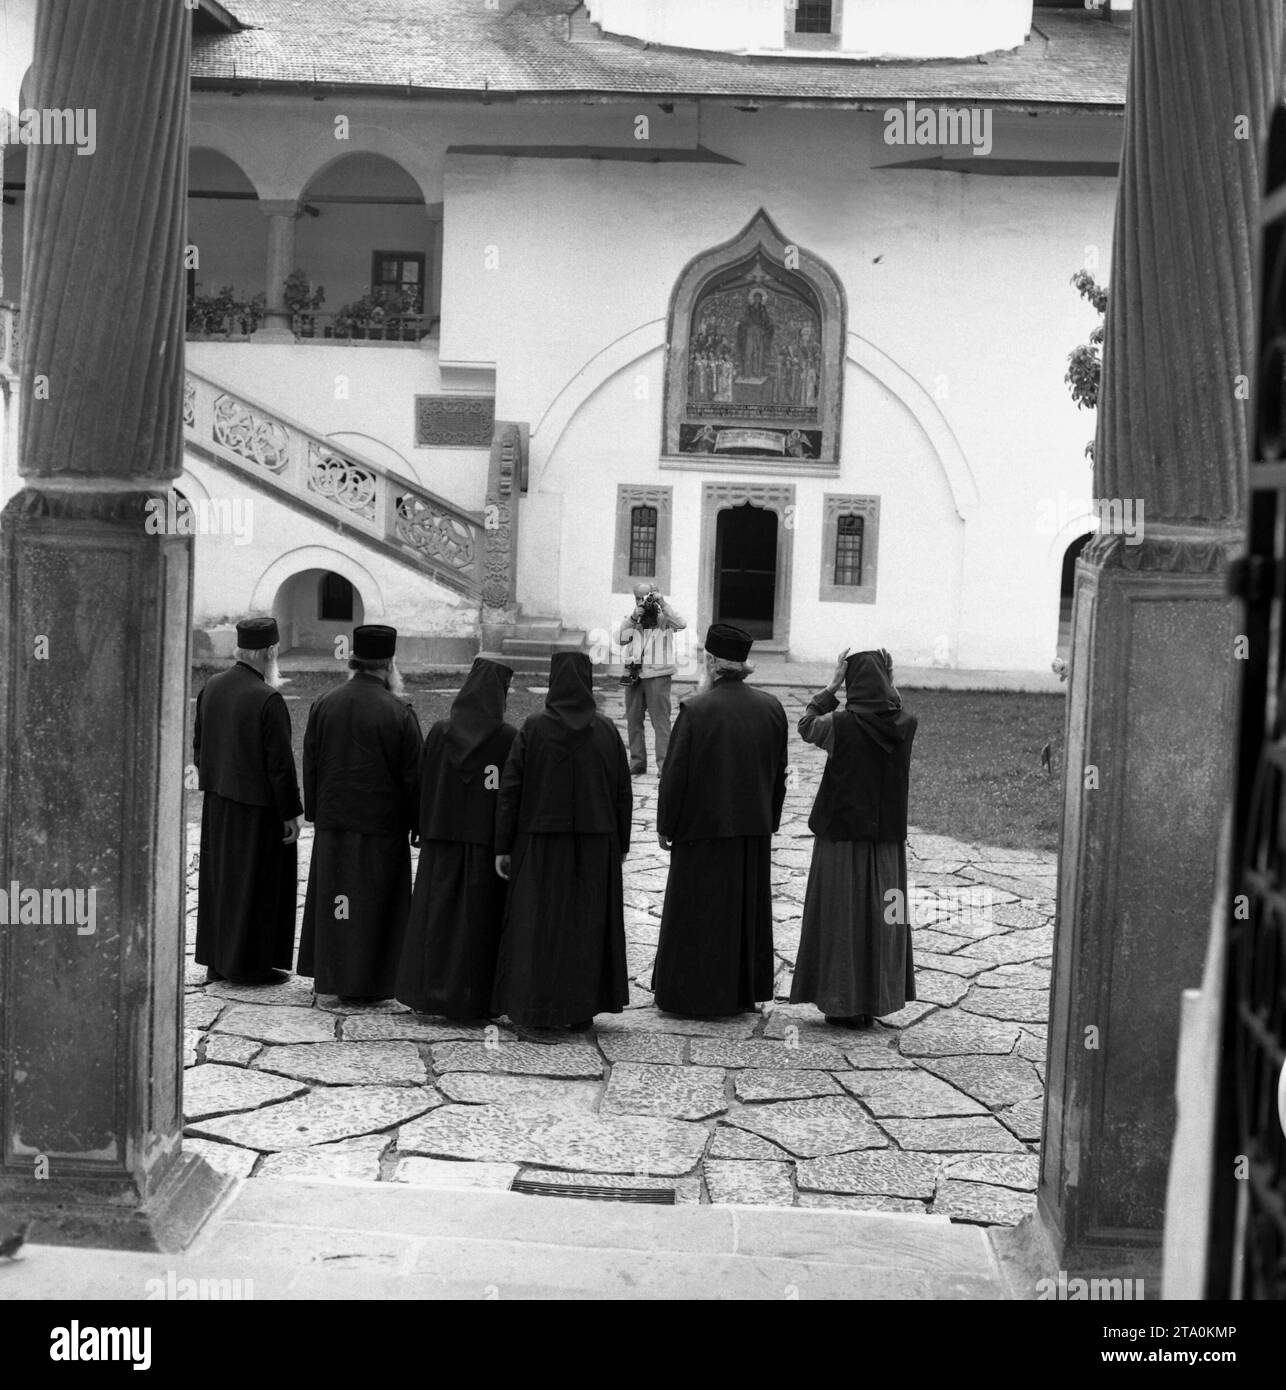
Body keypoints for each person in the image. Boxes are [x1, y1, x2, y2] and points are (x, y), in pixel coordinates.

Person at [650, 623, 788, 1016]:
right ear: (743, 665)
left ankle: (687, 994)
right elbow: (778, 774)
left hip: (700, 831)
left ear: (710, 662)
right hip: (751, 831)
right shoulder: (771, 708)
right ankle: (740, 992)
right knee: (742, 914)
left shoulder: (696, 709)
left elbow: (675, 776)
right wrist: (768, 820)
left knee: (698, 914)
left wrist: (666, 825)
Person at [491, 651, 632, 1031]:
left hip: (541, 845)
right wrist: (621, 844)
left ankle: (536, 1006)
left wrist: (502, 845)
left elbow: (511, 789)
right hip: (595, 843)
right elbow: (622, 791)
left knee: (538, 924)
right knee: (586, 926)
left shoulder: (534, 728)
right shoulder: (606, 731)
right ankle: (580, 1008)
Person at [790, 648, 918, 1028]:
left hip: (841, 840)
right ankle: (875, 999)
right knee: (882, 920)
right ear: (885, 681)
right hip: (885, 846)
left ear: (851, 683)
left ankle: (840, 999)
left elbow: (804, 723)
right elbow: (895, 707)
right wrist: (889, 681)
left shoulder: (837, 725)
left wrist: (831, 686)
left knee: (841, 918)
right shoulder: (906, 724)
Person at [296, 624, 422, 1002]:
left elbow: (311, 761)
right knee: (375, 903)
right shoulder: (399, 711)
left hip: (336, 824)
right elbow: (413, 774)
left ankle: (335, 976)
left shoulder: (325, 703)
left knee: (340, 903)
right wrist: (418, 822)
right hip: (382, 827)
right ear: (389, 664)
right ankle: (373, 980)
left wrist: (316, 810)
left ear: (355, 661)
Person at [396, 656, 517, 1020]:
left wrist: (421, 824)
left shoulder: (440, 731)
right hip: (484, 847)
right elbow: (508, 794)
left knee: (437, 921)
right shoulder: (507, 737)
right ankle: (475, 998)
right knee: (478, 925)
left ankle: (428, 993)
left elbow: (424, 779)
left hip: (441, 843)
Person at [192, 616, 302, 985]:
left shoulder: (212, 686)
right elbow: (280, 766)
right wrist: (291, 813)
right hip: (257, 811)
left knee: (221, 884)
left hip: (218, 804)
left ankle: (218, 959)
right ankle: (249, 966)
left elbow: (199, 745)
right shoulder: (268, 699)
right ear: (270, 651)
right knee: (254, 888)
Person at [614, 582, 686, 777]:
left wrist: (663, 603)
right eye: (638, 598)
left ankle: (664, 765)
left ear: (654, 597)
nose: (643, 602)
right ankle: (637, 762)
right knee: (633, 719)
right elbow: (620, 639)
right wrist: (633, 616)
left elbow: (682, 623)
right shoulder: (632, 618)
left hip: (658, 675)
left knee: (660, 721)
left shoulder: (664, 619)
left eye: (647, 597)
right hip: (633, 673)